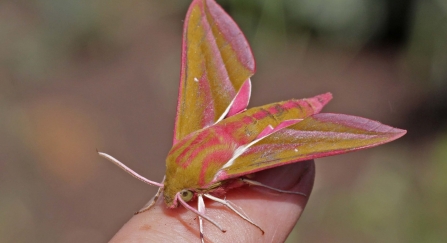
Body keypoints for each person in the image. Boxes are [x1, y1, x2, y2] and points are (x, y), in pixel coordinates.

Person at [109, 161, 314, 242]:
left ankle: (278, 189)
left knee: (242, 181)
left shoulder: (207, 187)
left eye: (186, 196)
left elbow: (224, 202)